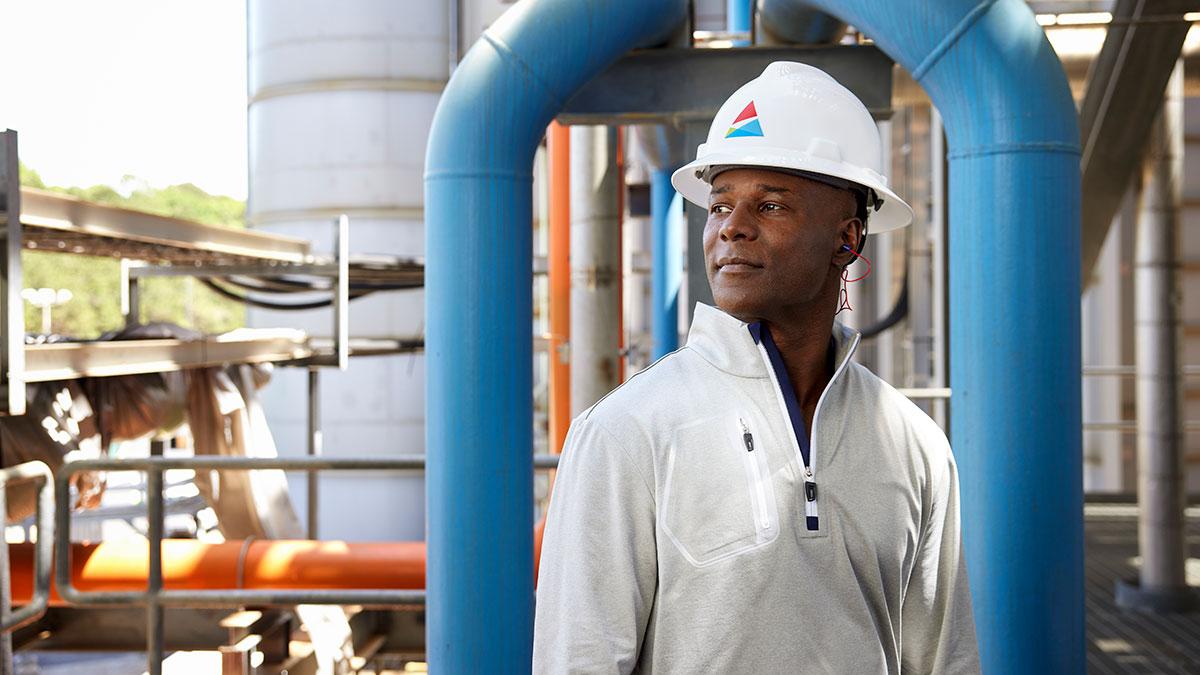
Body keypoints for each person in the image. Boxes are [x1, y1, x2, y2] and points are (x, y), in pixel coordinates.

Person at [533, 61, 979, 674]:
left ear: (847, 239)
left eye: (769, 206)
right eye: (719, 206)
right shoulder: (626, 433)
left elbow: (943, 661)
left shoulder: (916, 445)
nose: (731, 229)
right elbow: (576, 663)